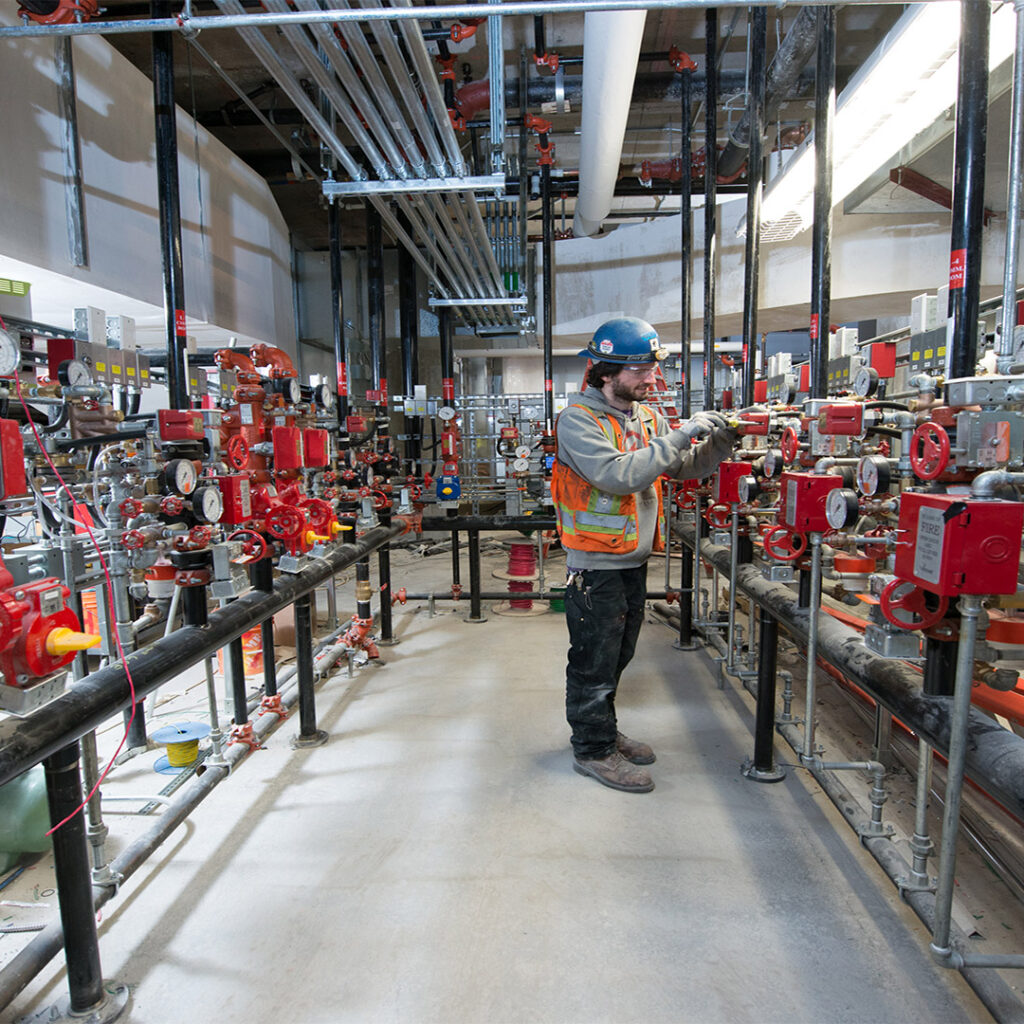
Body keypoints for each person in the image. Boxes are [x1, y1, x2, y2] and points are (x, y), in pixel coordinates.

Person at [551, 316, 737, 793]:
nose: (651, 378)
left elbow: (681, 467)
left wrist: (721, 439)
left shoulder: (648, 417)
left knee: (618, 656)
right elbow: (617, 475)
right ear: (605, 371)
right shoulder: (579, 420)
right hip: (594, 567)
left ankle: (605, 732)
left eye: (652, 368)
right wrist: (681, 433)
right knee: (593, 661)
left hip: (632, 560)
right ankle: (592, 751)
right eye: (638, 370)